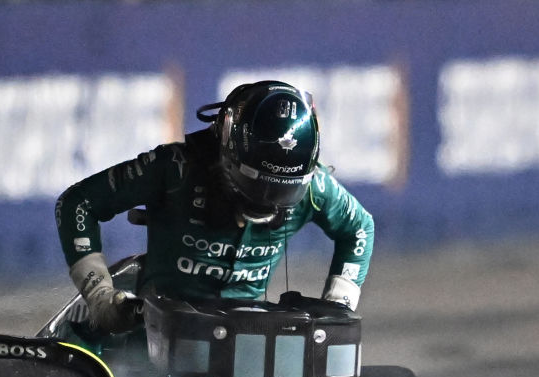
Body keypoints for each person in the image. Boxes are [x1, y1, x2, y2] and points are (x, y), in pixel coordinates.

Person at [55, 80, 374, 333]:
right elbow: (77, 204)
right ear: (227, 150)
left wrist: (338, 307)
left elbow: (359, 227)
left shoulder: (316, 188)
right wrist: (99, 299)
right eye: (257, 184)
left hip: (249, 336)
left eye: (284, 190)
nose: (268, 200)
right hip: (153, 328)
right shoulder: (175, 168)